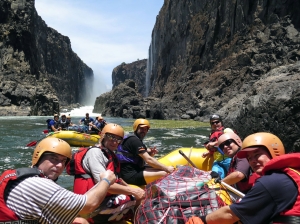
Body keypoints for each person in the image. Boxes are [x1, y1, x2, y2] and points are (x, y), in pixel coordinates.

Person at [185, 132, 300, 224]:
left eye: (257, 154)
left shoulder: (271, 182)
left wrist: (202, 220)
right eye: (249, 158)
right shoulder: (289, 173)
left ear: (273, 151)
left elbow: (231, 215)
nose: (252, 161)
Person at [0, 137, 116, 224]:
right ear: (38, 157)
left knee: (80, 221)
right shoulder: (40, 185)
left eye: (63, 161)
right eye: (53, 158)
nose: (60, 165)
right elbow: (88, 206)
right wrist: (105, 180)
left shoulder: (22, 176)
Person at [70, 123, 145, 223]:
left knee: (137, 195)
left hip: (100, 201)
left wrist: (133, 189)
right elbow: (106, 185)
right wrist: (134, 192)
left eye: (118, 139)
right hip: (88, 207)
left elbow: (118, 180)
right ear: (103, 136)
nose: (114, 142)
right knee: (132, 199)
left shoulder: (109, 154)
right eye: (111, 137)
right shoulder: (95, 153)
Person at [116, 118, 175, 185]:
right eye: (141, 128)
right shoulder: (134, 141)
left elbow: (140, 157)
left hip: (133, 169)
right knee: (164, 172)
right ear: (136, 128)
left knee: (162, 170)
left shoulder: (133, 139)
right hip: (129, 175)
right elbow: (148, 160)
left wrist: (150, 153)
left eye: (145, 129)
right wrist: (167, 168)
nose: (143, 131)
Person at [202, 114, 232, 179]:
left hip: (229, 159)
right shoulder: (211, 135)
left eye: (217, 122)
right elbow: (215, 149)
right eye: (213, 123)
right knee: (215, 177)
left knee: (232, 178)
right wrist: (209, 152)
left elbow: (232, 140)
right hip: (218, 162)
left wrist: (214, 143)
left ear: (221, 122)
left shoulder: (227, 130)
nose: (215, 124)